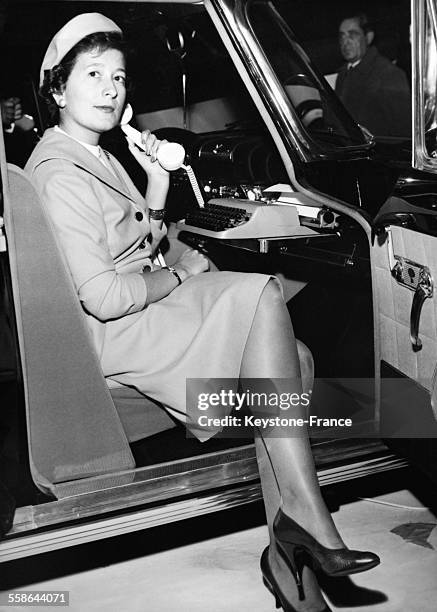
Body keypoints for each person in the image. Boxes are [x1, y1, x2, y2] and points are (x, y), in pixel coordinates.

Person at [25, 14, 379, 612]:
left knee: (293, 358)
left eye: (119, 75)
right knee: (262, 292)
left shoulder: (92, 154)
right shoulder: (60, 173)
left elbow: (142, 235)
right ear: (58, 90)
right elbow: (106, 297)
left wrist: (158, 174)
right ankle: (310, 521)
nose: (112, 88)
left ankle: (291, 565)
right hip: (113, 340)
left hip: (136, 322)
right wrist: (181, 274)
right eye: (93, 75)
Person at [335, 12, 411, 138]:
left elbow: (404, 132)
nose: (345, 42)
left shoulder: (388, 74)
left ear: (368, 37)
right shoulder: (343, 74)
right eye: (342, 37)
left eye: (352, 35)